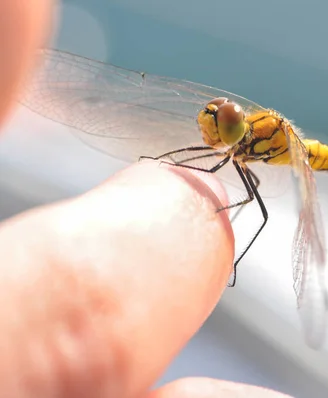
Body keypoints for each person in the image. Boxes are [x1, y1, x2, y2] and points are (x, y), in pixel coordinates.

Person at [0, 1, 290, 397]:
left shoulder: (248, 142)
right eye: (214, 116)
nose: (210, 124)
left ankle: (231, 261)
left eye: (220, 121)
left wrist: (223, 222)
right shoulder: (237, 135)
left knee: (258, 210)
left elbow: (249, 203)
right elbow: (211, 160)